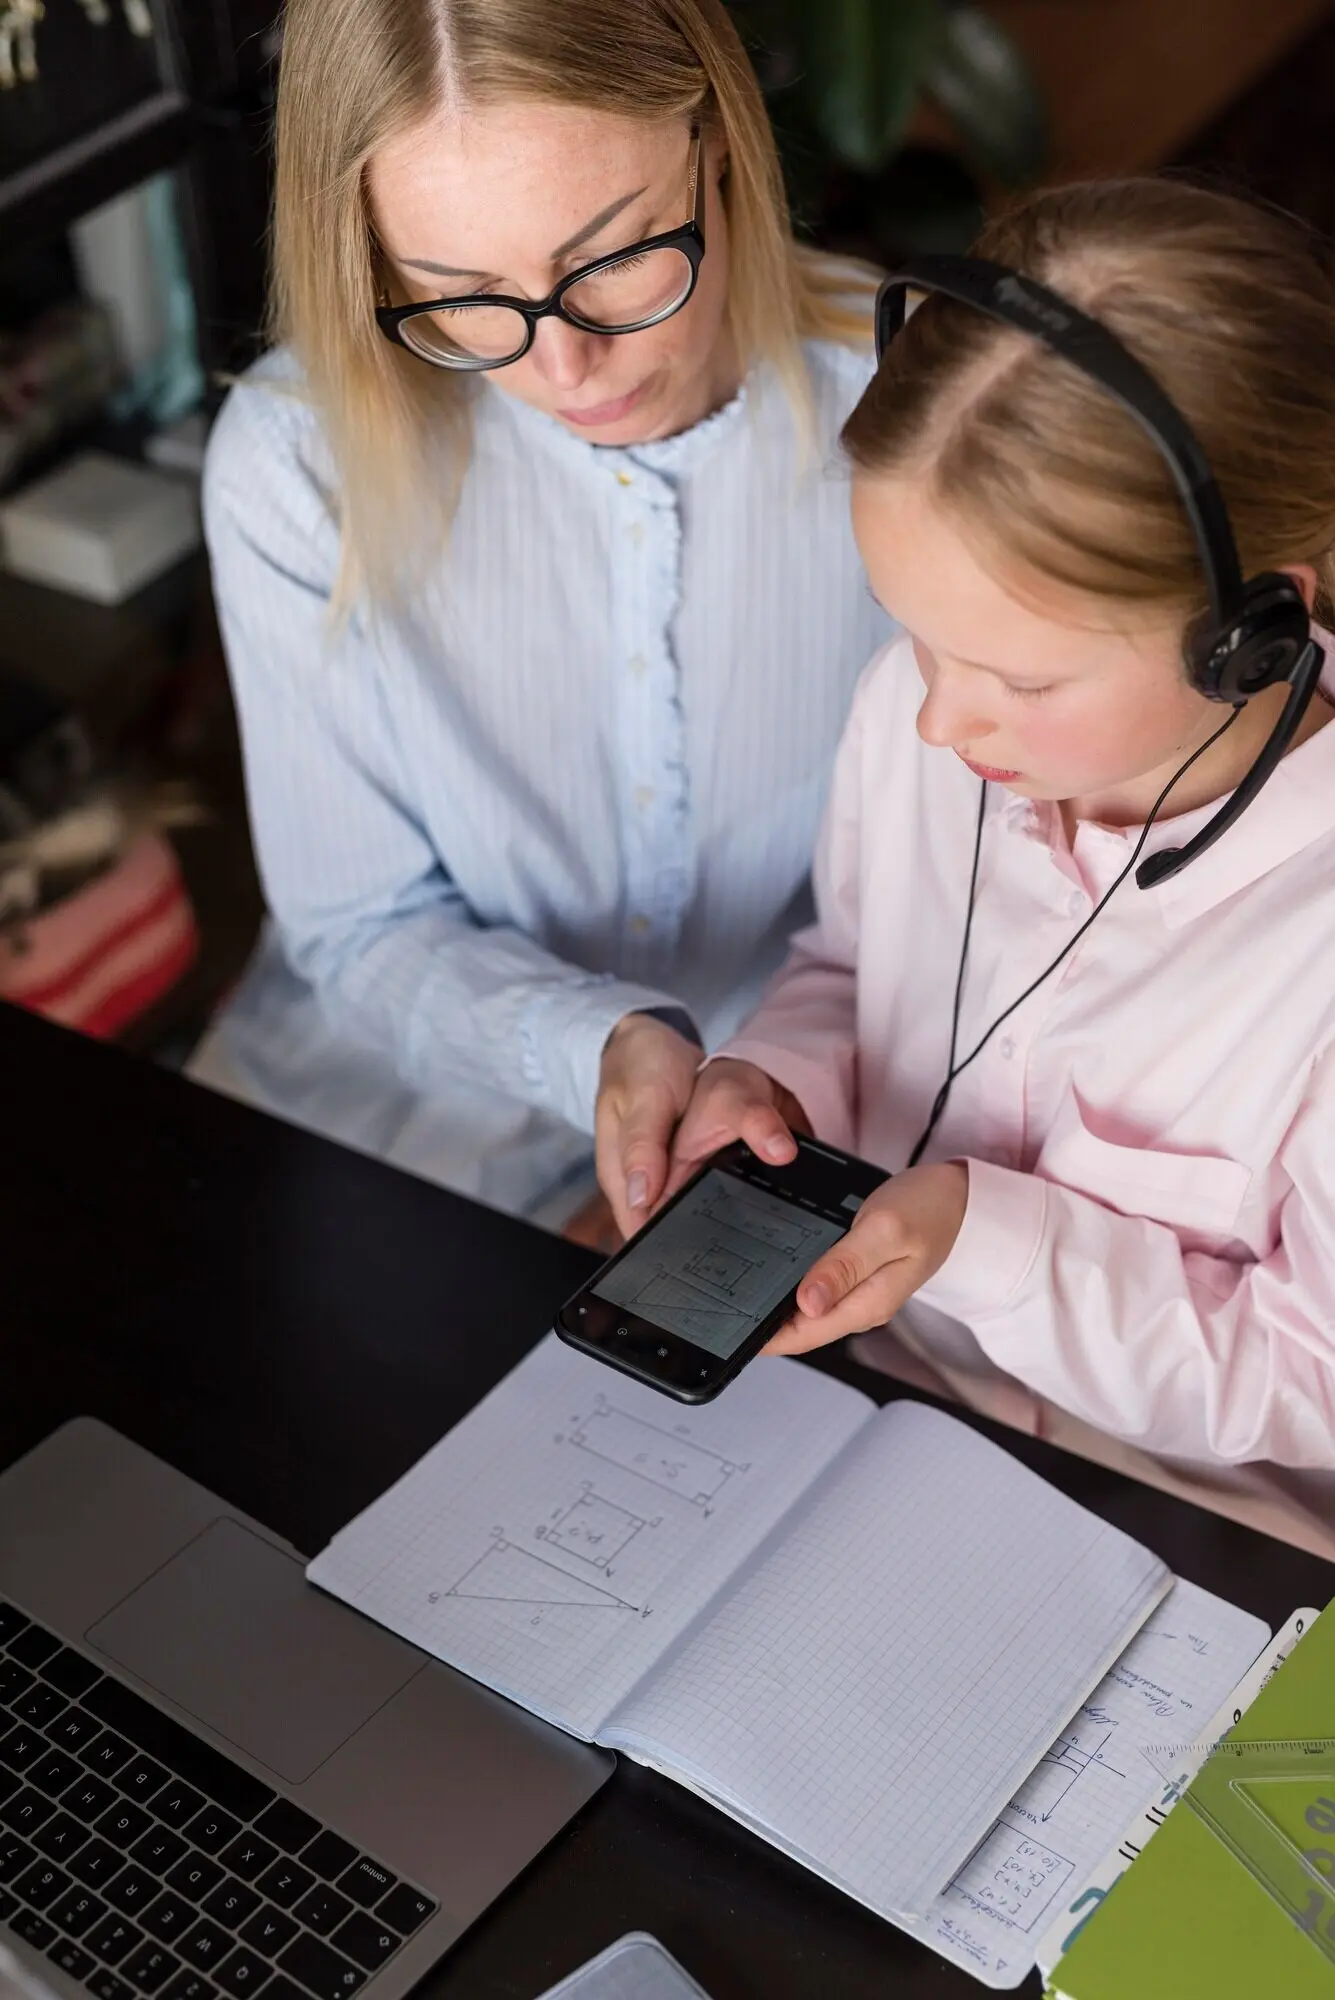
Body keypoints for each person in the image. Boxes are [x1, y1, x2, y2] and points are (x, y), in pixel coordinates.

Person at [610, 178, 1335, 1554]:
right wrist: (781, 1085)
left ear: (1251, 630)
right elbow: (847, 966)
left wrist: (976, 1238)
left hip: (1193, 1524)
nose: (938, 721)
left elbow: (1313, 1376)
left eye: (1015, 676)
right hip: (868, 1410)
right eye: (917, 639)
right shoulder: (920, 719)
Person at [190, 0, 889, 1223]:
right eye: (457, 294)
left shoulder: (907, 408)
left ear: (716, 136)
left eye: (613, 258)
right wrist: (594, 1045)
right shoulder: (294, 466)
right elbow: (360, 926)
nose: (563, 369)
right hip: (384, 1112)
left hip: (799, 1106)